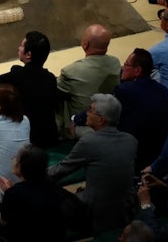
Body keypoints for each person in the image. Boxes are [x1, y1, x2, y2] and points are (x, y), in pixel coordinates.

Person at [49, 93, 137, 235]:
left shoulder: (89, 142)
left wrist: (32, 175)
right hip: (126, 207)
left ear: (101, 120)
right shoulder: (131, 140)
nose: (87, 113)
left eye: (90, 110)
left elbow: (60, 170)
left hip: (97, 211)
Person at [0, 31, 59, 149]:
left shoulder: (17, 76)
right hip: (49, 137)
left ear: (28, 54)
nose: (19, 48)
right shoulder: (51, 78)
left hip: (25, 139)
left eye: (22, 46)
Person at [56, 24, 121, 139]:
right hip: (109, 120)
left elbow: (54, 91)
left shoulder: (71, 71)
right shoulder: (116, 63)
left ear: (85, 44)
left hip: (82, 124)